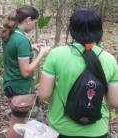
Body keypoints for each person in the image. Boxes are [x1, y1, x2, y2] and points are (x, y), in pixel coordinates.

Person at [39, 8, 118, 138]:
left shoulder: (56, 55)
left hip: (62, 129)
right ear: (99, 31)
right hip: (98, 130)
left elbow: (44, 95)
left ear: (72, 30)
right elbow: (114, 101)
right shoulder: (110, 59)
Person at [1, 6, 50, 138]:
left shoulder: (12, 33)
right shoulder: (21, 40)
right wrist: (41, 55)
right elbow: (26, 72)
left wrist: (31, 47)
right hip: (21, 89)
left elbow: (13, 52)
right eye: (35, 22)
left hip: (11, 85)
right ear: (28, 20)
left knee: (17, 123)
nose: (35, 25)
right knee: (18, 125)